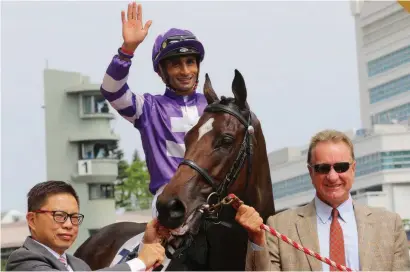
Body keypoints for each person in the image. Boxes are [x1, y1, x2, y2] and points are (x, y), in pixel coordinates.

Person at [235, 129, 410, 271]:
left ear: (353, 169)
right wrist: (257, 239)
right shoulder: (280, 226)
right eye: (323, 168)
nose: (333, 177)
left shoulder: (389, 225)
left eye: (341, 167)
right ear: (311, 172)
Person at [100, 2, 208, 218]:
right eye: (176, 64)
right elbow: (112, 90)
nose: (186, 71)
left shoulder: (214, 108)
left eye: (190, 62)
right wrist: (126, 51)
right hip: (170, 203)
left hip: (210, 199)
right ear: (161, 72)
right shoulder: (148, 108)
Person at [5, 180, 168, 271]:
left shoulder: (79, 265)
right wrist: (140, 261)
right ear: (32, 220)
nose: (69, 225)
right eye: (59, 216)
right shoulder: (22, 260)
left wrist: (145, 247)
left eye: (74, 217)